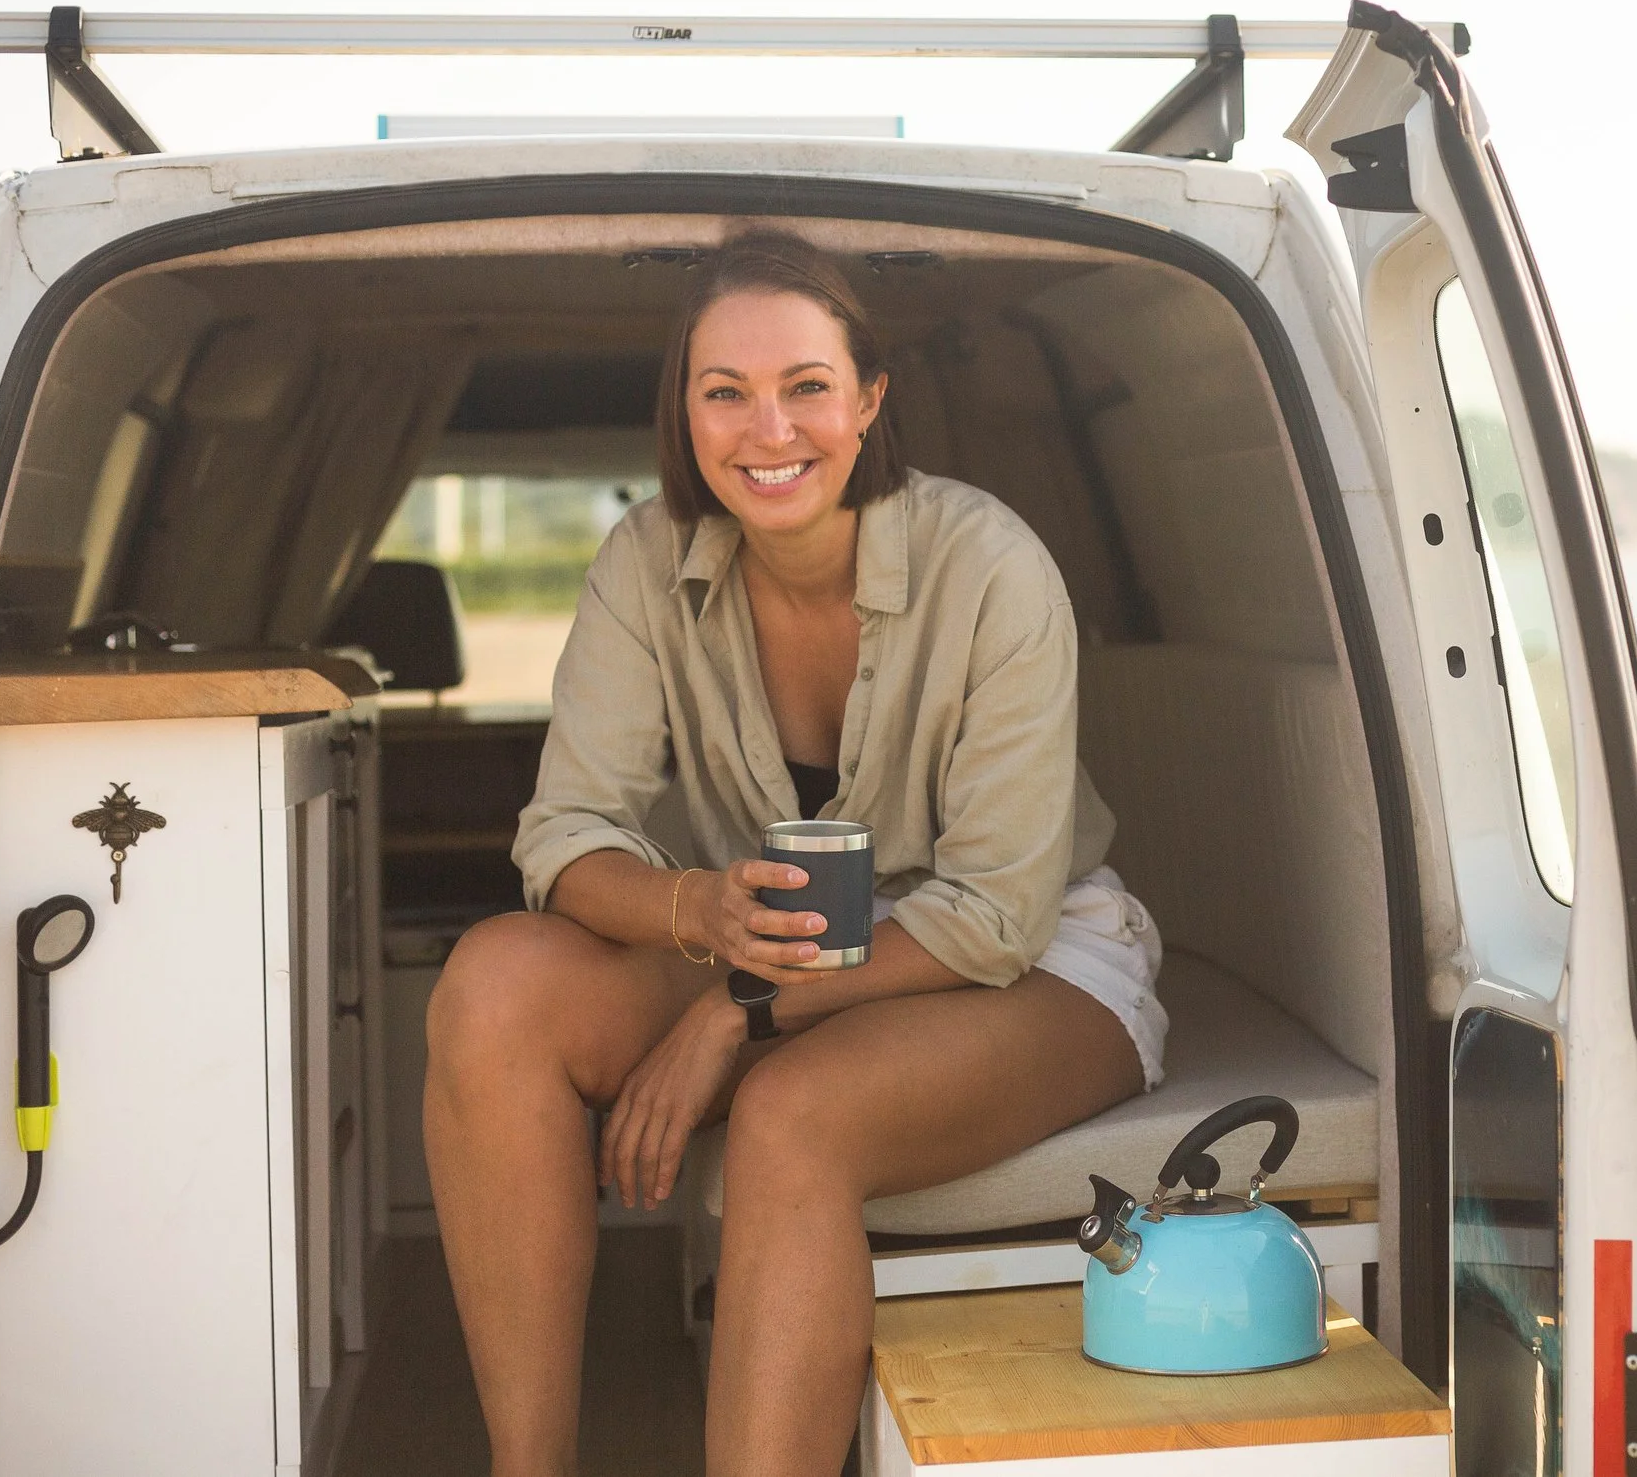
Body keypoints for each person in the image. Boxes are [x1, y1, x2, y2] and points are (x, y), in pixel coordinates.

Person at [424, 232, 1166, 1477]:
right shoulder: (645, 565)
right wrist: (697, 911)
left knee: (788, 1111)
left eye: (806, 386)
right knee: (494, 985)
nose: (767, 429)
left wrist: (732, 1010)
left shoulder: (989, 564)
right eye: (725, 391)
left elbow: (989, 914)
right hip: (761, 932)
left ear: (867, 401)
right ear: (687, 411)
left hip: (1026, 960)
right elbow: (563, 838)